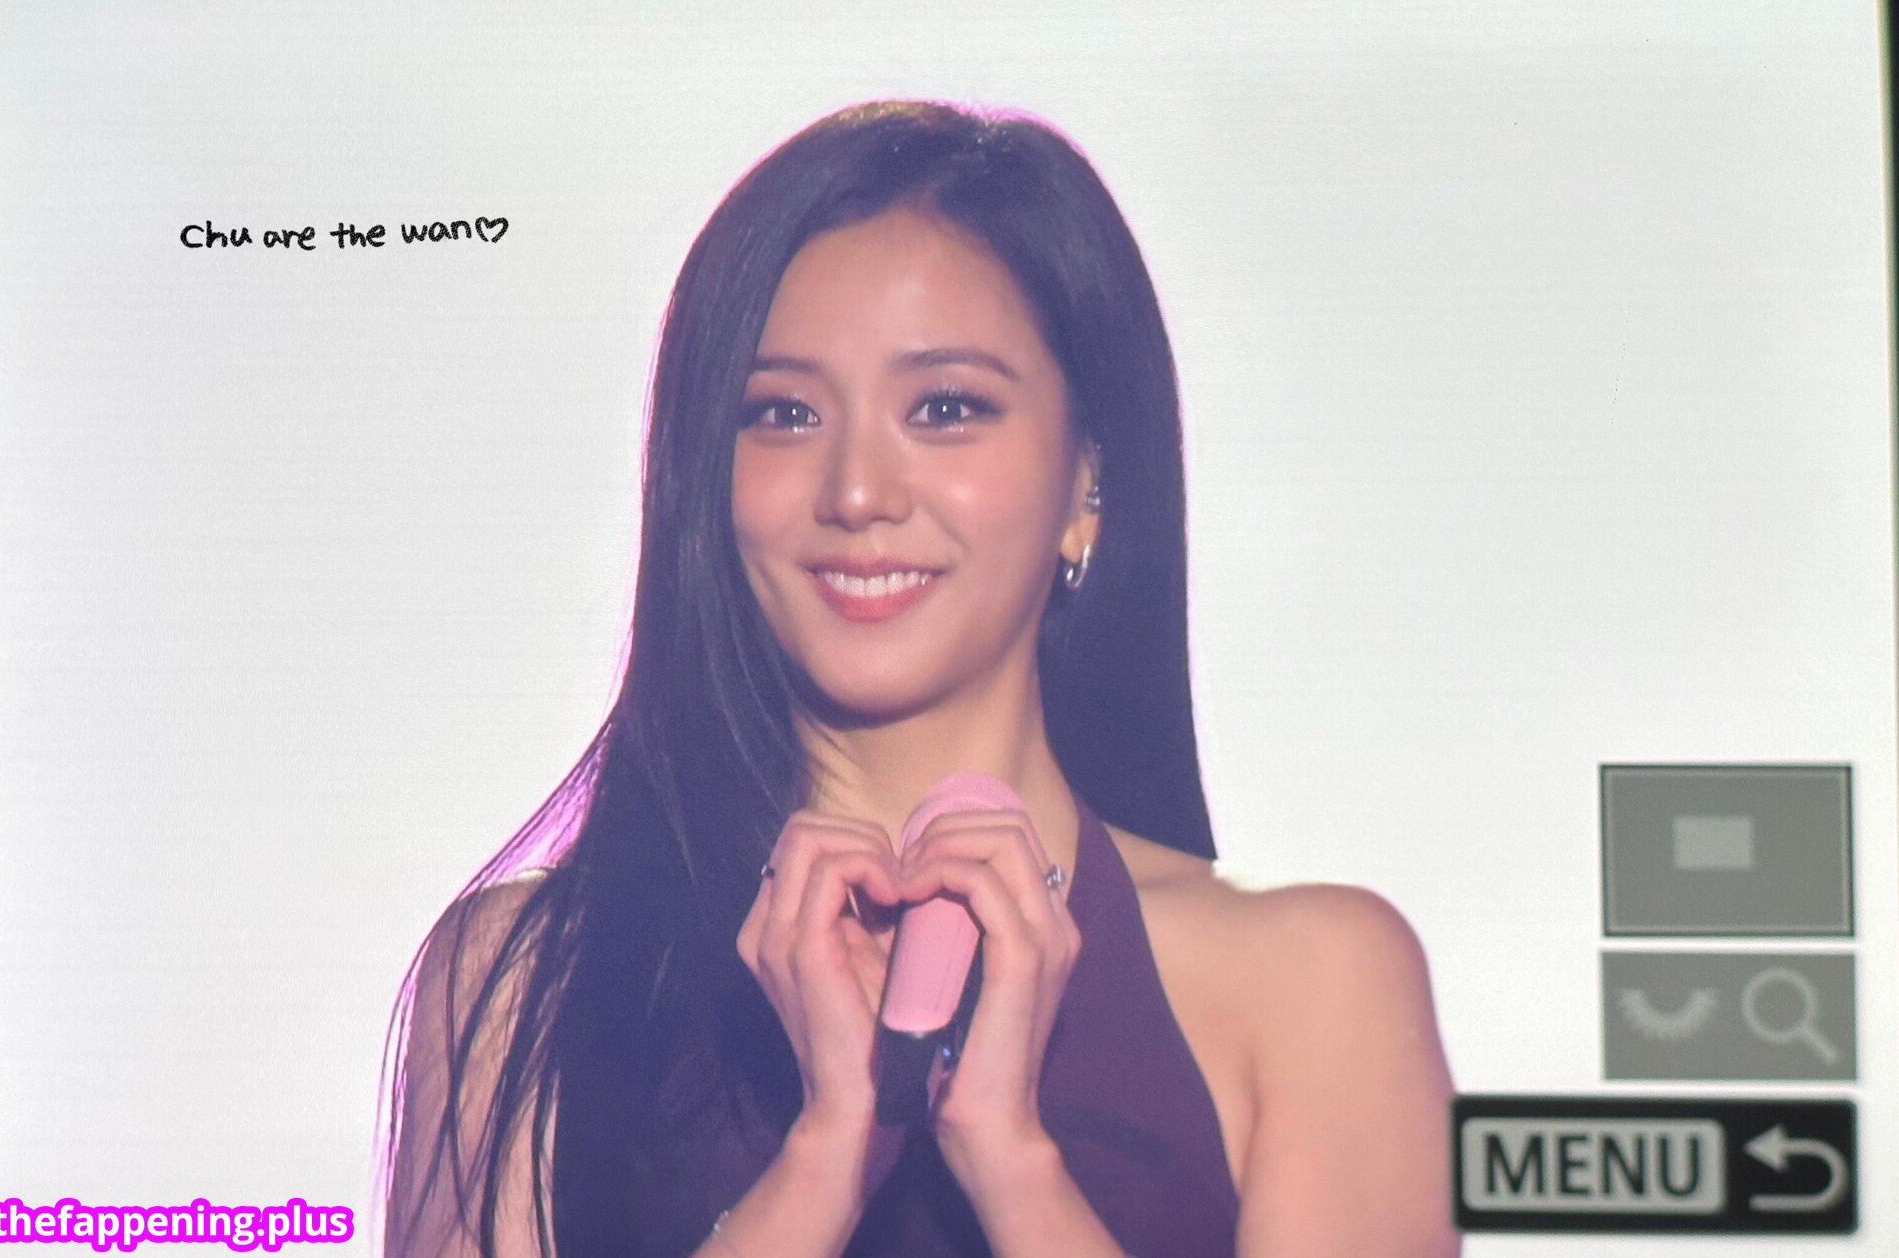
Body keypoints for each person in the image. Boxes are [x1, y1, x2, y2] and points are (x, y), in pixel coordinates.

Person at [379, 99, 1459, 1258]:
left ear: (1088, 481)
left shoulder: (1314, 979)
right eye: (783, 413)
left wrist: (1011, 1158)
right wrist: (824, 1160)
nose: (856, 493)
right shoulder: (524, 978)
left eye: (946, 409)